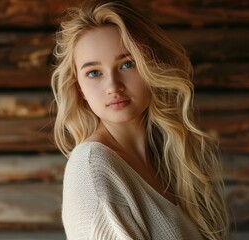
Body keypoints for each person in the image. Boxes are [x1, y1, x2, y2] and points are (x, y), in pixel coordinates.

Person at [51, 0, 230, 239]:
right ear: (79, 88)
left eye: (127, 64)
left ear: (152, 67)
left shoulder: (167, 161)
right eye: (94, 72)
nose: (113, 86)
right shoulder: (92, 170)